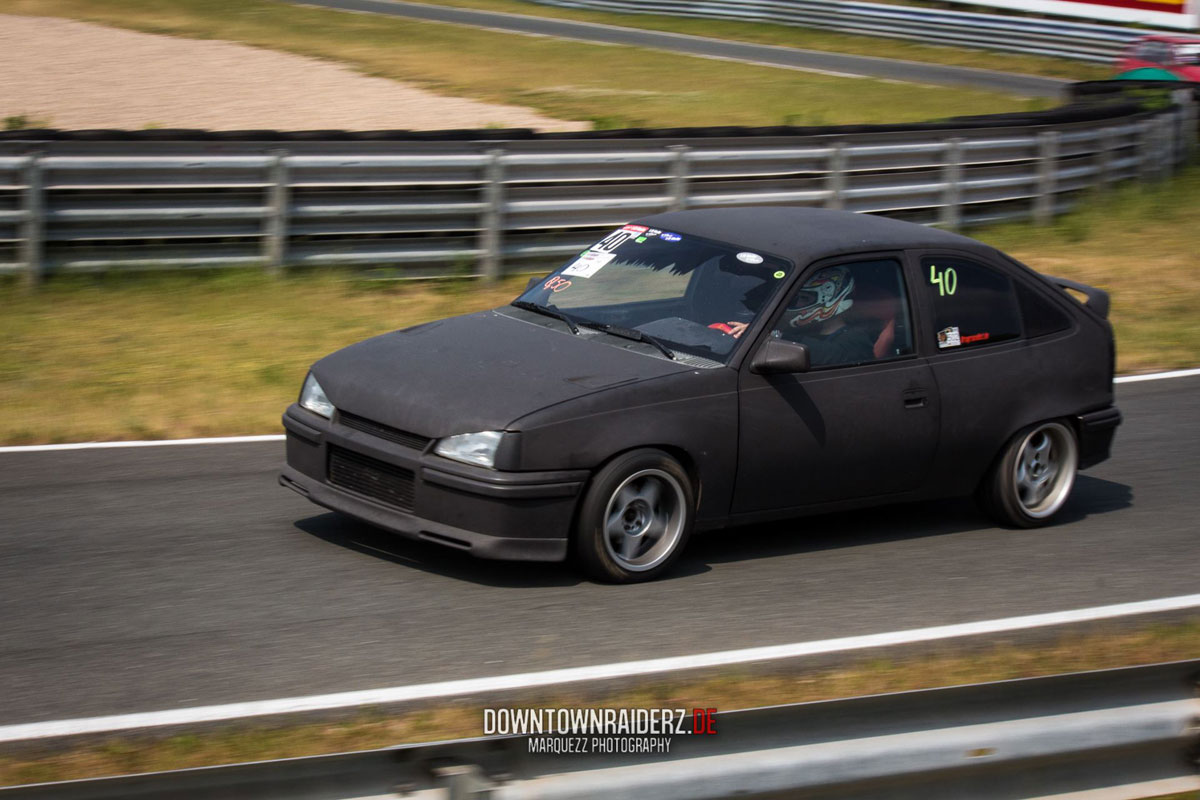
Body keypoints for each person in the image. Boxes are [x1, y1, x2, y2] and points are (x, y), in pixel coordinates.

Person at [775, 266, 874, 367]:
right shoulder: (804, 329)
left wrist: (779, 337)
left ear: (831, 301)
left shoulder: (856, 339)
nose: (798, 304)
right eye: (798, 298)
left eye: (805, 298)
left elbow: (832, 355)